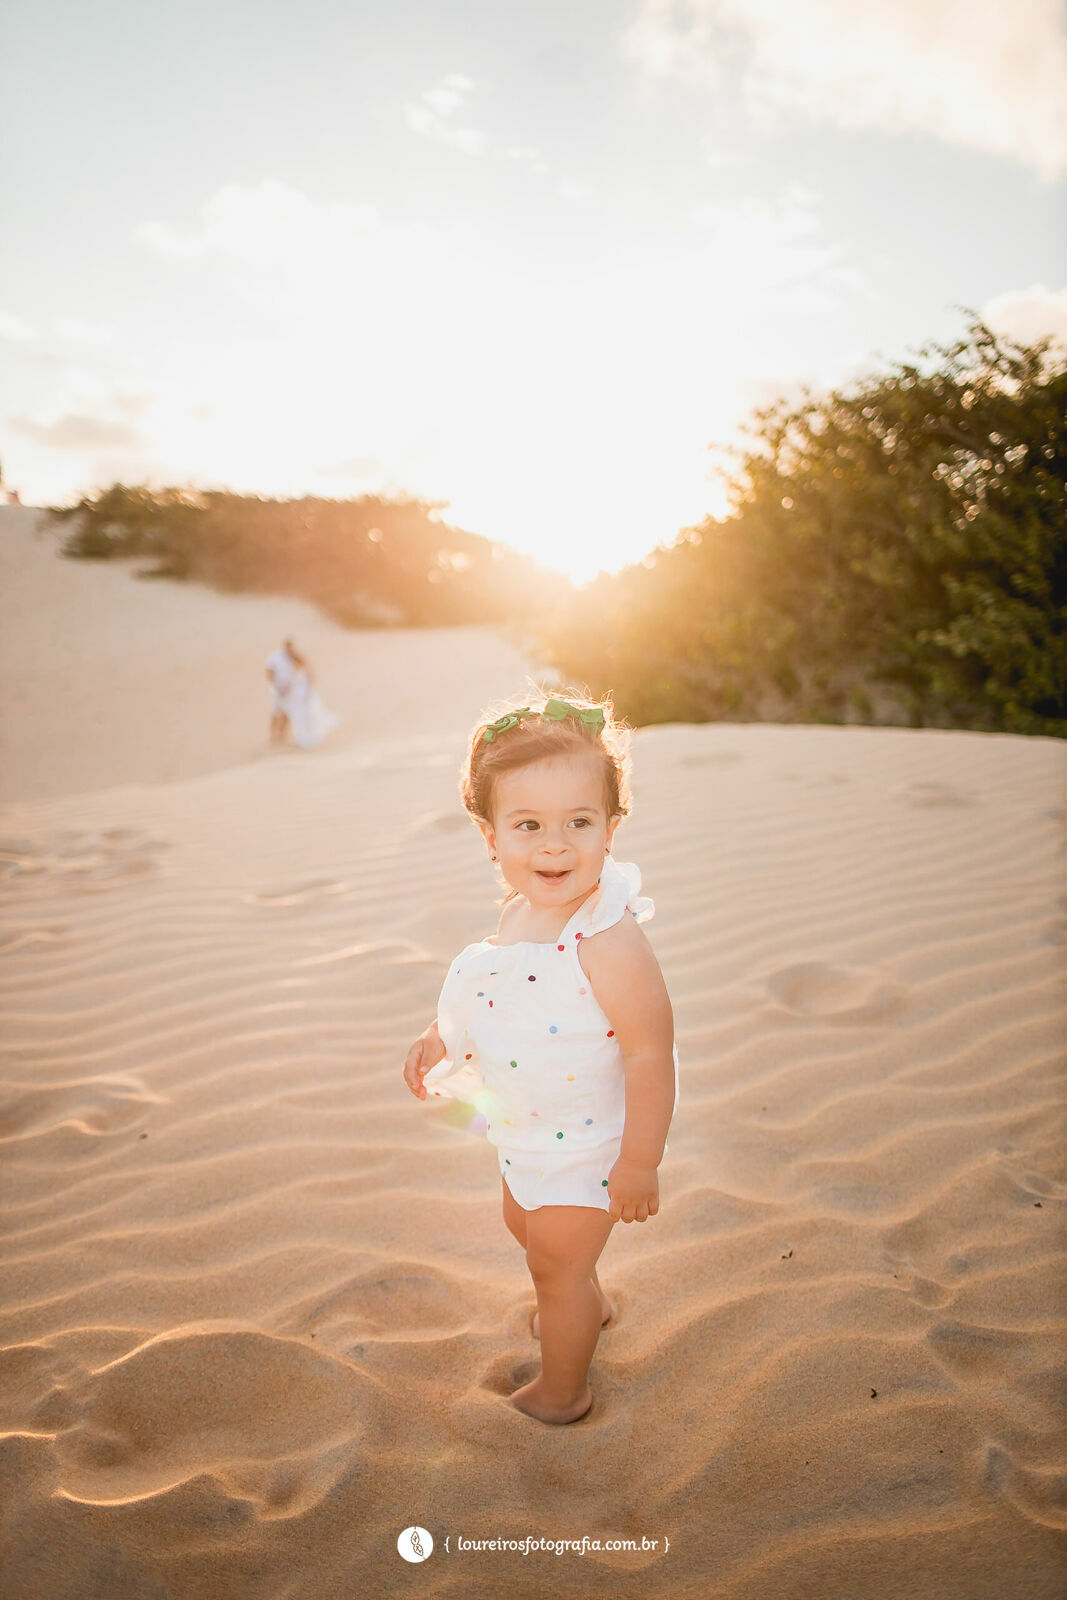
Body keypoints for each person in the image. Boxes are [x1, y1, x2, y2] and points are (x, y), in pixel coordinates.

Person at [403, 693, 679, 1426]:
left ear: (610, 830)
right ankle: (583, 1295)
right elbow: (492, 995)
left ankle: (565, 1388)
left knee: (550, 1265)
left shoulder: (608, 943)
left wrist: (639, 1163)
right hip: (526, 1134)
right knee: (527, 1231)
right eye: (528, 826)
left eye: (577, 823)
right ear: (490, 836)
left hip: (590, 1151)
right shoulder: (519, 911)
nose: (553, 847)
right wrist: (442, 1038)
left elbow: (651, 1054)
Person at [264, 638, 341, 750]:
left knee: (288, 714)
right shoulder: (275, 657)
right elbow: (270, 673)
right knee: (276, 712)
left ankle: (281, 737)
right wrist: (278, 687)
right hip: (279, 691)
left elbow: (303, 674)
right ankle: (274, 737)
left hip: (292, 693)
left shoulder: (294, 659)